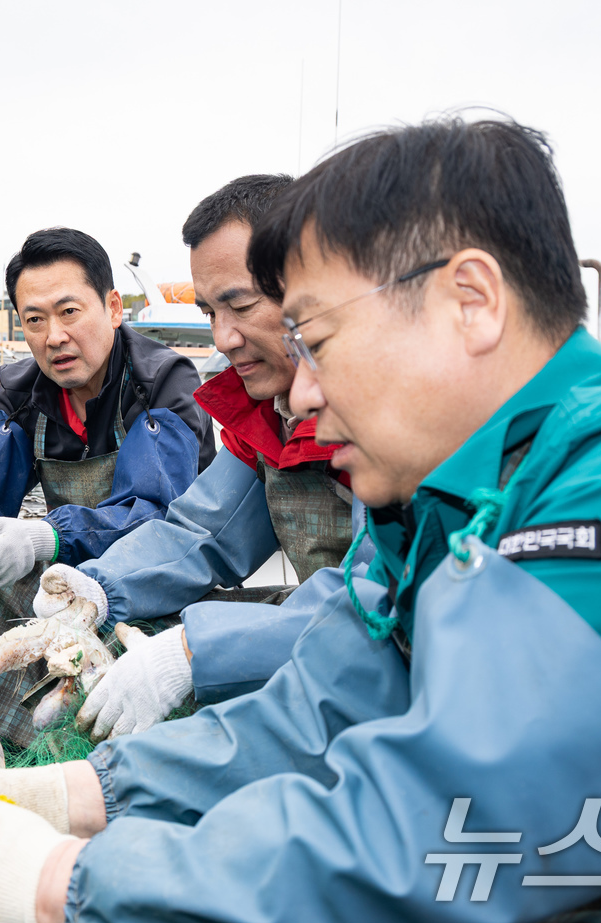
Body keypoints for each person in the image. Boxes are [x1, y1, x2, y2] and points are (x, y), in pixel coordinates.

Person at [0, 117, 601, 923]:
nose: (307, 392)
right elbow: (322, 710)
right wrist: (82, 795)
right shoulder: (449, 496)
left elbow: (466, 820)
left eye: (316, 341)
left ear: (471, 300)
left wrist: (59, 884)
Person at [42, 174, 373, 741]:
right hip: (325, 626)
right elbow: (202, 532)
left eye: (240, 306)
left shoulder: (396, 415)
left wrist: (194, 652)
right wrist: (97, 587)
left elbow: (380, 594)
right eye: (209, 312)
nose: (222, 339)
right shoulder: (265, 409)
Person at [0, 227, 216, 749]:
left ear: (113, 307)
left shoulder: (161, 382)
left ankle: (92, 754)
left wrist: (45, 538)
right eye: (35, 319)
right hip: (70, 577)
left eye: (69, 312)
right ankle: (7, 743)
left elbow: (155, 511)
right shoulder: (25, 391)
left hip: (155, 582)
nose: (53, 336)